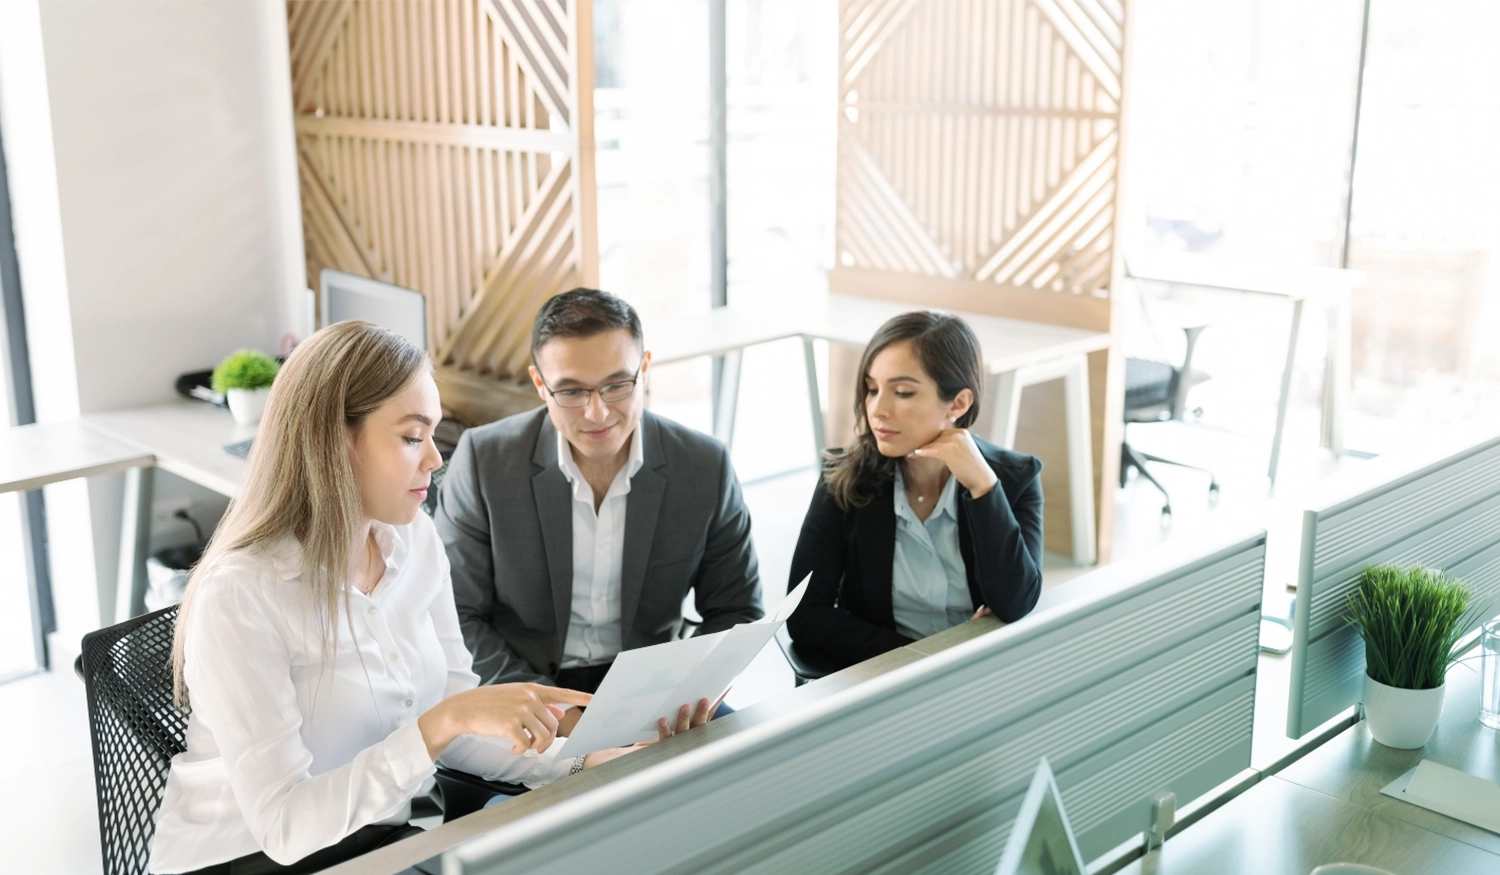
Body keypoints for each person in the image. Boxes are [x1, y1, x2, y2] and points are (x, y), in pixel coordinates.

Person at [150, 321, 648, 875]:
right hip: (245, 857)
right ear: (334, 442)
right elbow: (284, 828)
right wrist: (440, 725)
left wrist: (586, 763)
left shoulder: (415, 540)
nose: (435, 459)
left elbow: (461, 726)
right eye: (413, 437)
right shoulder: (241, 593)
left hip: (377, 843)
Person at [435, 288, 763, 724]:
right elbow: (455, 616)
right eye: (571, 391)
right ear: (540, 384)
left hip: (660, 694)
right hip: (522, 687)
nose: (597, 413)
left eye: (616, 385)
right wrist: (554, 712)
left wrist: (687, 693)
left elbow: (737, 610)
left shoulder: (704, 466)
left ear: (644, 370)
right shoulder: (484, 462)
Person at [786, 311, 1044, 671]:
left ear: (958, 403)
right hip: (884, 679)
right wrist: (929, 655)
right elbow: (803, 616)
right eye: (872, 389)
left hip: (983, 678)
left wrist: (983, 489)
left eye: (903, 392)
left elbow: (1018, 602)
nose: (877, 409)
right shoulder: (843, 477)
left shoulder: (1015, 479)